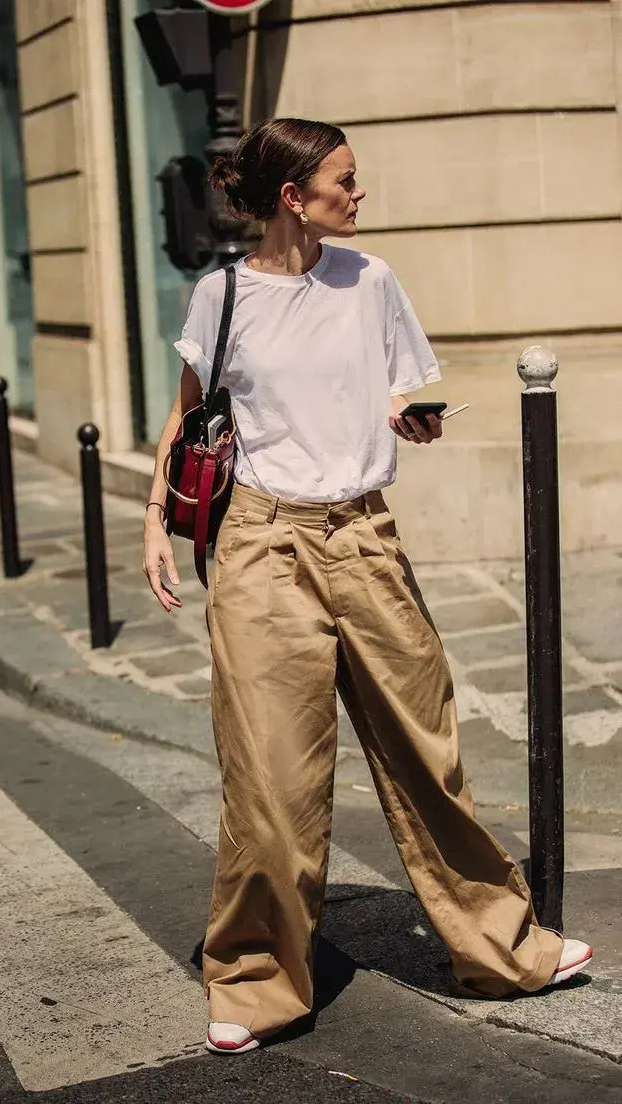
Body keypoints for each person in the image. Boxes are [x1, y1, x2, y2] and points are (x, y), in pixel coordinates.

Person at [142, 117, 592, 1056]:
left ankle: (501, 946)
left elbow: (396, 391)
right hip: (262, 544)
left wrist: (407, 418)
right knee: (269, 775)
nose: (361, 193)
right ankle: (257, 980)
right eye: (344, 181)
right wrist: (156, 519)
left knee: (427, 752)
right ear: (293, 198)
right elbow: (191, 421)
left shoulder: (370, 281)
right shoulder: (222, 296)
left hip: (364, 535)